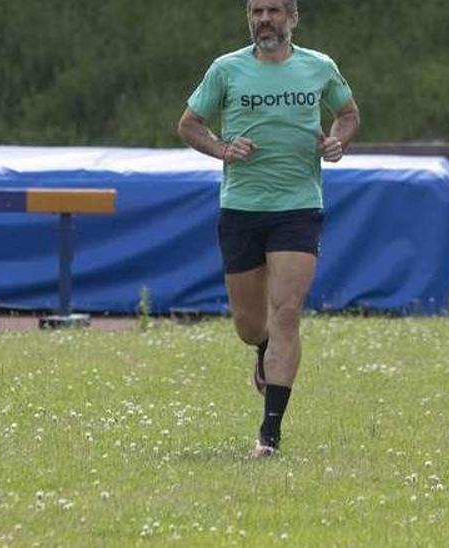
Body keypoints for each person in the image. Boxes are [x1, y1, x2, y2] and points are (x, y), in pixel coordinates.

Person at [177, 0, 360, 458]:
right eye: (256, 12)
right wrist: (222, 148)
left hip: (298, 206)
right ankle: (261, 348)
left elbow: (349, 113)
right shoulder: (226, 69)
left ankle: (270, 435)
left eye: (274, 11)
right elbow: (189, 125)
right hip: (241, 208)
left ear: (293, 19)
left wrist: (337, 141)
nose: (265, 20)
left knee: (287, 314)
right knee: (250, 324)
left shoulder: (319, 67)